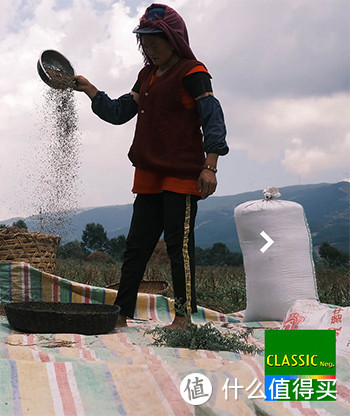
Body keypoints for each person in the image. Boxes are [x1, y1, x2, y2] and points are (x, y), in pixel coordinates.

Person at [73, 3, 228, 329]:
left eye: (155, 40)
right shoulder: (146, 76)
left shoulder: (193, 73)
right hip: (148, 174)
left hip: (182, 175)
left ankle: (183, 317)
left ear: (173, 39)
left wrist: (210, 166)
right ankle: (122, 312)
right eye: (144, 41)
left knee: (178, 248)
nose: (149, 47)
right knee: (136, 248)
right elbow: (119, 112)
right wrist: (91, 91)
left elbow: (212, 118)